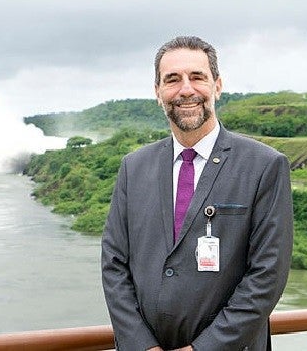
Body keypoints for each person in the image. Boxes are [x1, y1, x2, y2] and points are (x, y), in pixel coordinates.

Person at [101, 36, 293, 351]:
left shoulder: (264, 165)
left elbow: (267, 275)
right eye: (172, 79)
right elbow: (114, 263)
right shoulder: (133, 167)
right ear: (157, 92)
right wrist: (141, 345)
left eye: (197, 77)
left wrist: (203, 348)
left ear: (217, 86)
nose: (186, 90)